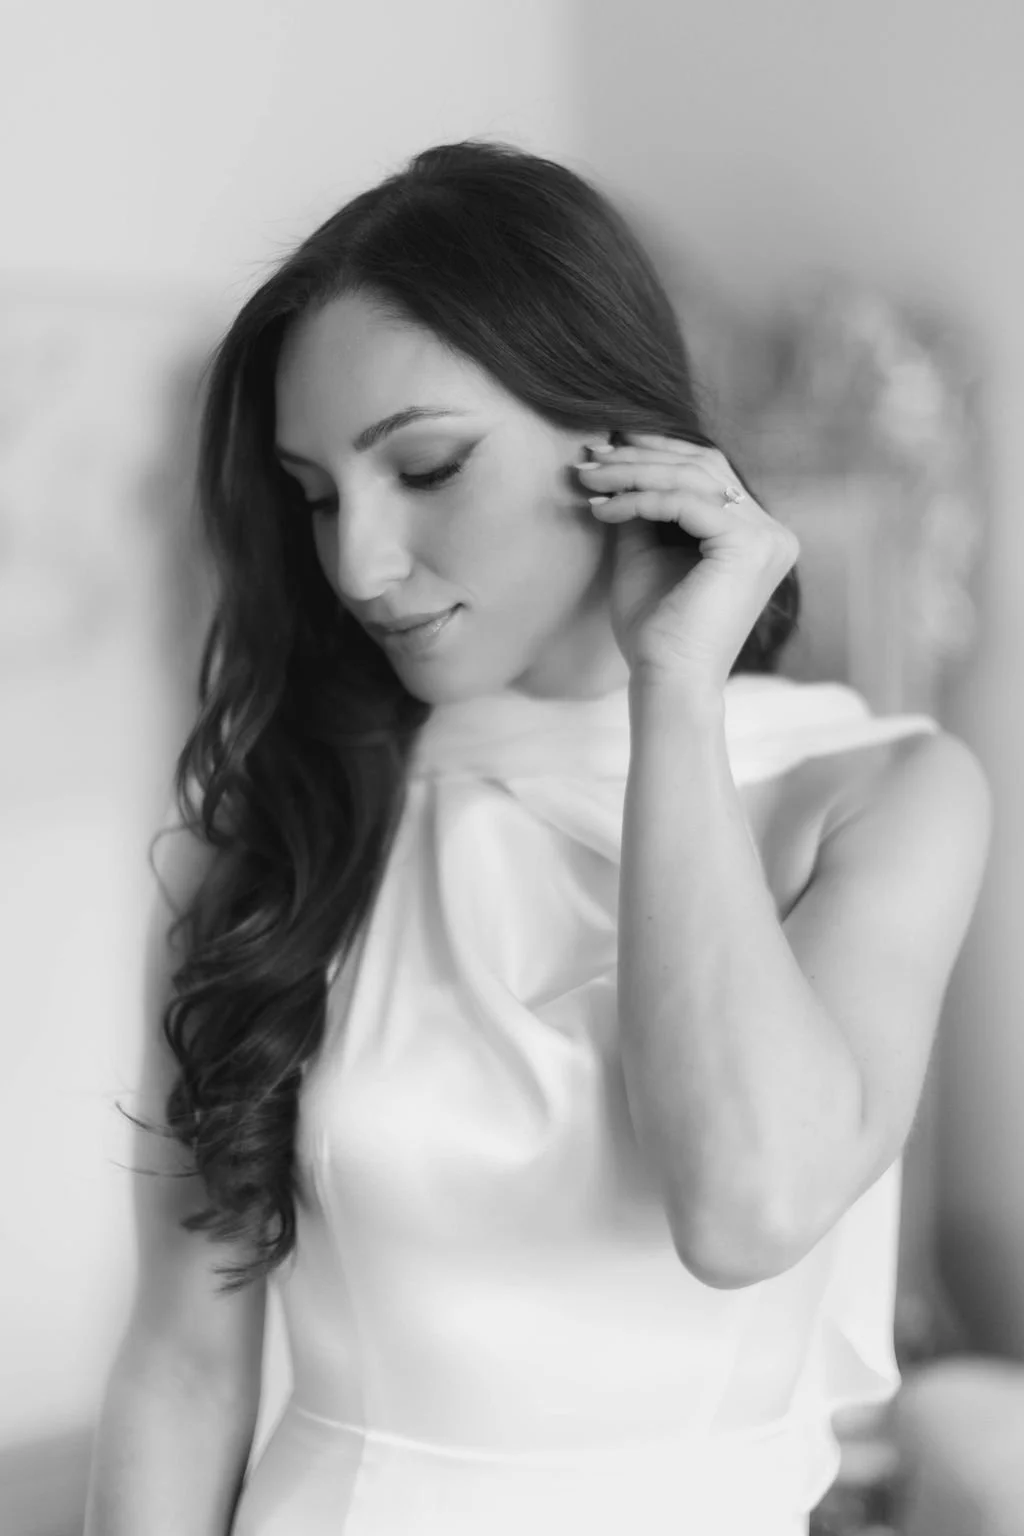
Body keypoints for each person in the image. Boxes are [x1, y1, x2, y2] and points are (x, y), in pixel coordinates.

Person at [83, 138, 991, 1536]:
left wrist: (675, 692)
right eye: (317, 495)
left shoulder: (885, 795)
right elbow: (183, 1373)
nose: (359, 564)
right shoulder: (274, 840)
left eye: (426, 467)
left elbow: (746, 1206)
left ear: (620, 445)